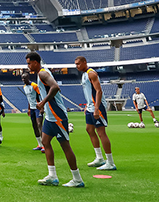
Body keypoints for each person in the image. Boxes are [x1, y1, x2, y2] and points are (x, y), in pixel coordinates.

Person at [26, 52, 85, 188]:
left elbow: (55, 87)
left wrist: (42, 102)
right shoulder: (41, 73)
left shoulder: (42, 73)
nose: (28, 66)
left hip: (58, 116)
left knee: (65, 146)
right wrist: (43, 107)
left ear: (35, 62)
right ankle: (52, 176)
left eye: (29, 63)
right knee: (45, 142)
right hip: (50, 117)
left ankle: (77, 179)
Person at [75, 56, 116, 171]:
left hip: (97, 107)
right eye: (76, 64)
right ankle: (99, 158)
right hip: (90, 107)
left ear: (84, 62)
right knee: (89, 129)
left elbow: (98, 91)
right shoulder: (84, 75)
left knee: (101, 132)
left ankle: (110, 162)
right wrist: (88, 106)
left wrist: (97, 108)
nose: (77, 66)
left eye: (78, 64)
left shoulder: (91, 73)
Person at [22, 72, 44, 151]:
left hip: (38, 107)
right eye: (22, 78)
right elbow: (29, 99)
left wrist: (42, 107)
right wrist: (28, 109)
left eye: (24, 78)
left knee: (39, 124)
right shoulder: (24, 87)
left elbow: (40, 96)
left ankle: (44, 145)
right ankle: (39, 144)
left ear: (28, 78)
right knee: (34, 125)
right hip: (31, 108)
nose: (23, 80)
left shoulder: (34, 86)